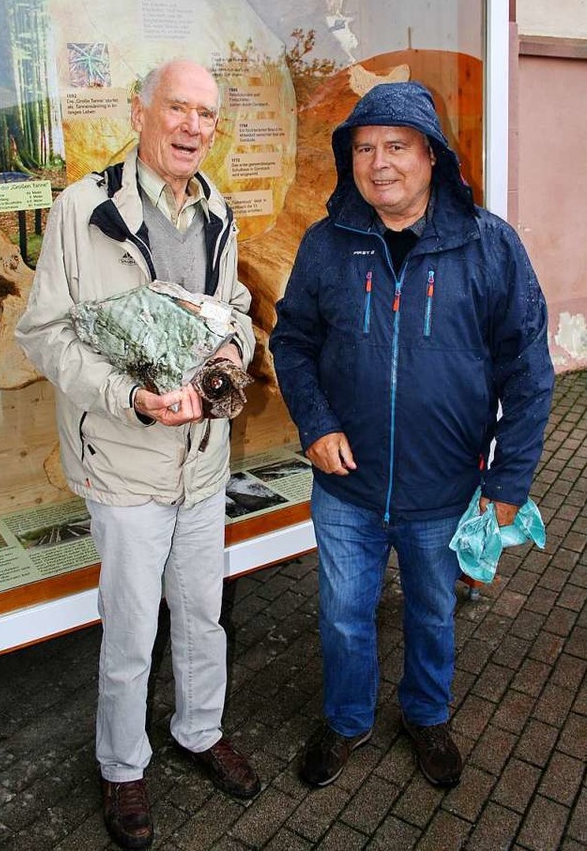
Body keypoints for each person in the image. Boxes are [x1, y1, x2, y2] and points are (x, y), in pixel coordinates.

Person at [270, 81, 554, 790]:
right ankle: (346, 721)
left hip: (445, 487)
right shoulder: (327, 244)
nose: (379, 163)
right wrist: (317, 423)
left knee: (432, 615)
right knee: (342, 618)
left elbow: (529, 370)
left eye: (397, 146)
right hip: (347, 488)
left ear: (431, 156)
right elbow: (294, 342)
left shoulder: (490, 246)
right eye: (364, 148)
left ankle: (426, 715)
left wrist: (509, 481)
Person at [16, 59, 259, 850]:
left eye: (207, 116)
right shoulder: (81, 210)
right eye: (178, 109)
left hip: (203, 457)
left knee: (201, 612)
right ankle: (121, 765)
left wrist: (226, 365)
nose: (193, 127)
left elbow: (237, 314)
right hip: (124, 461)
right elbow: (43, 334)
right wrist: (130, 397)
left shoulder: (219, 209)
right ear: (139, 112)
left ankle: (199, 730)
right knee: (129, 627)